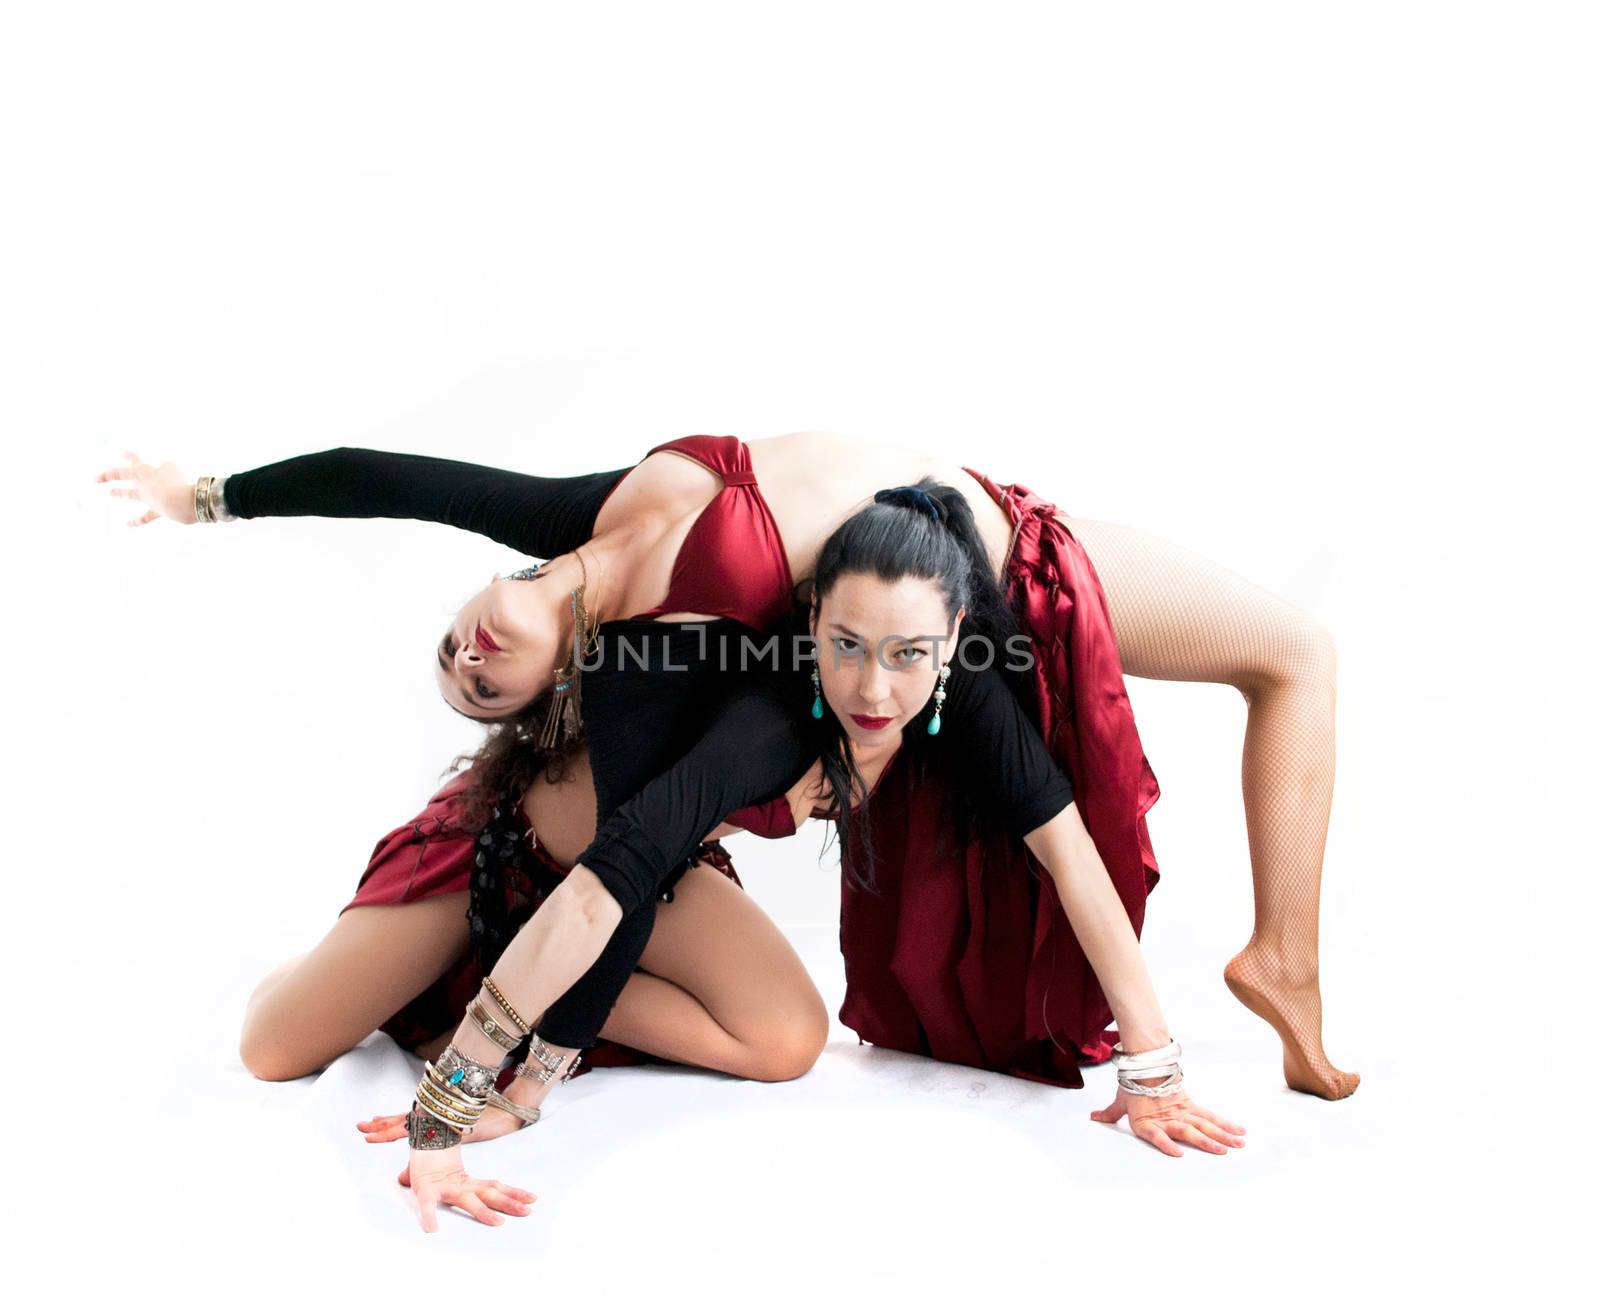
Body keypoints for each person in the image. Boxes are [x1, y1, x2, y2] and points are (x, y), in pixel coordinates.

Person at [239, 741, 830, 1147]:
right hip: (511, 844)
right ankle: (450, 977)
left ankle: (517, 988)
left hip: (648, 867)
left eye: (911, 654)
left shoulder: (886, 699)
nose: (881, 689)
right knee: (273, 1051)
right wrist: (450, 1118)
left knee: (786, 1040)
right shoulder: (738, 622)